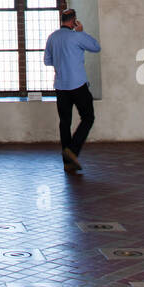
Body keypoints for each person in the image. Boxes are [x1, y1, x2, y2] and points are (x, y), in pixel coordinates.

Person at [43, 9, 100, 173]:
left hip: (60, 86)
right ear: (74, 21)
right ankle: (73, 151)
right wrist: (82, 32)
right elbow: (96, 47)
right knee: (88, 117)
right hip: (78, 85)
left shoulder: (52, 37)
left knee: (64, 123)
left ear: (62, 20)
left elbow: (47, 61)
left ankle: (67, 163)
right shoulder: (77, 36)